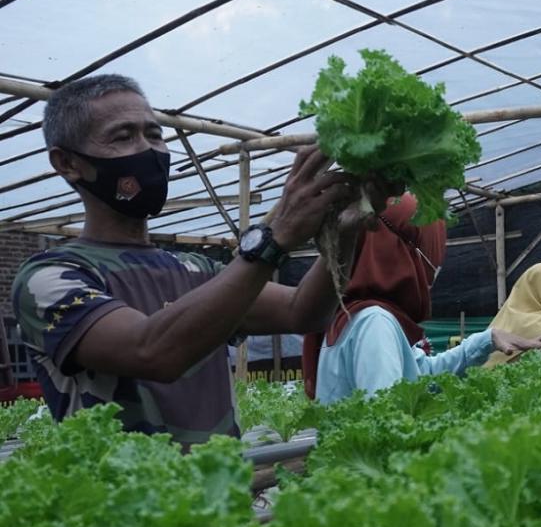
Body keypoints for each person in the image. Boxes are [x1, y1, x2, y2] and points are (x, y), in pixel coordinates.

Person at [11, 74, 375, 448]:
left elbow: (303, 312)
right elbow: (152, 352)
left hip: (222, 493)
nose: (148, 151)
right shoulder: (52, 278)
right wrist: (274, 238)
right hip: (119, 502)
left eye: (154, 135)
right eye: (123, 136)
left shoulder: (196, 270)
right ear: (68, 163)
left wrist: (345, 233)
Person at [309, 193, 541, 404]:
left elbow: (422, 374)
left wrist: (488, 339)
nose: (434, 268)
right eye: (432, 254)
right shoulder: (375, 323)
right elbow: (385, 421)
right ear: (404, 252)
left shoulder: (367, 315)